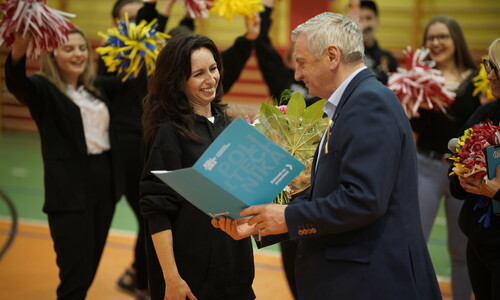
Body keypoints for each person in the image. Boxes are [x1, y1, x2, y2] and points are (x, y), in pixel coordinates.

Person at [213, 12, 442, 299]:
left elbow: (363, 199)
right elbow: (328, 192)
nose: (297, 74)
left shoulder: (368, 103)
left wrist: (288, 216)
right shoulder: (354, 102)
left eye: (302, 62)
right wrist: (262, 223)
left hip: (371, 281)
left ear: (332, 56)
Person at [5, 28, 127, 299]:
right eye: (69, 48)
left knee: (89, 270)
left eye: (82, 48)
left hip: (104, 186)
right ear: (53, 53)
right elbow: (16, 82)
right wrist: (20, 47)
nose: (78, 54)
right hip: (69, 191)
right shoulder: (43, 89)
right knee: (74, 275)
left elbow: (132, 81)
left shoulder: (94, 89)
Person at [139, 33, 256, 300]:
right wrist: (172, 279)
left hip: (234, 274)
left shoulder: (226, 123)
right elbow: (156, 211)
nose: (211, 79)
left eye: (213, 69)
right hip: (190, 282)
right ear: (178, 81)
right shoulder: (168, 133)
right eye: (198, 74)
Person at [410, 15, 479, 300]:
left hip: (463, 173)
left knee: (461, 251)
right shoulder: (420, 78)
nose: (436, 43)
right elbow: (413, 128)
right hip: (425, 166)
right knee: (415, 245)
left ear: (455, 40)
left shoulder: (477, 80)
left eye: (442, 37)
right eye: (431, 38)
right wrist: (416, 103)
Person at [449, 37, 500, 300]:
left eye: (495, 68)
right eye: (487, 65)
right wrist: (467, 178)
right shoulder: (486, 112)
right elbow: (456, 185)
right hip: (479, 243)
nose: (489, 75)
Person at [255, 0, 320, 105]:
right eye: (298, 56)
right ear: (290, 60)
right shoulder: (282, 78)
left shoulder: (327, 80)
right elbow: (261, 43)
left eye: (310, 50)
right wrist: (266, 6)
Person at [349, 0, 398, 84]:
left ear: (377, 22)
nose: (365, 24)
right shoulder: (346, 58)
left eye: (369, 18)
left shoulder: (389, 59)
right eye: (360, 19)